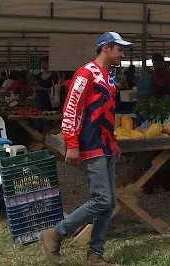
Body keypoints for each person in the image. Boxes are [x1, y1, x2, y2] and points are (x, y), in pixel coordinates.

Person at [39, 32, 130, 266]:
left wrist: (114, 140)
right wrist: (71, 142)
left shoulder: (108, 77)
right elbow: (71, 109)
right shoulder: (85, 73)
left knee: (108, 203)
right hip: (90, 144)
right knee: (102, 199)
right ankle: (55, 233)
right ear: (106, 48)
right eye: (120, 49)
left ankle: (95, 255)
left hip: (105, 144)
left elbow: (106, 114)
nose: (123, 54)